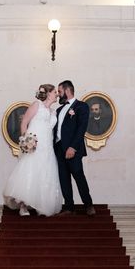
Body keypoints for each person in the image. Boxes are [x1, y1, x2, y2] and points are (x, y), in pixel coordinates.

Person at [3, 84, 63, 216]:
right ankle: (23, 206)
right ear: (47, 94)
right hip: (34, 144)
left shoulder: (53, 112)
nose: (57, 94)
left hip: (47, 147)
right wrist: (26, 141)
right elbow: (24, 122)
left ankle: (41, 205)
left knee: (45, 173)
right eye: (54, 92)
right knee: (30, 171)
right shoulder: (37, 105)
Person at [54, 80, 95, 216]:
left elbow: (81, 128)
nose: (58, 95)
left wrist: (72, 147)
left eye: (59, 92)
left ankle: (88, 205)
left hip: (73, 148)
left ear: (67, 90)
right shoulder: (59, 110)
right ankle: (69, 207)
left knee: (78, 176)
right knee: (63, 178)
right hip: (58, 148)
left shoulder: (81, 106)